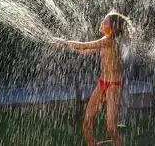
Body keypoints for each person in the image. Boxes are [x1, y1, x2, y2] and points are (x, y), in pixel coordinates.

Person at [52, 11, 133, 146]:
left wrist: (65, 42)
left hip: (113, 86)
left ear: (113, 29)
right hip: (102, 84)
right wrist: (72, 48)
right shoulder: (104, 42)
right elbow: (85, 50)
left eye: (105, 22)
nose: (102, 23)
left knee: (111, 128)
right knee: (87, 122)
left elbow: (85, 45)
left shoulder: (110, 42)